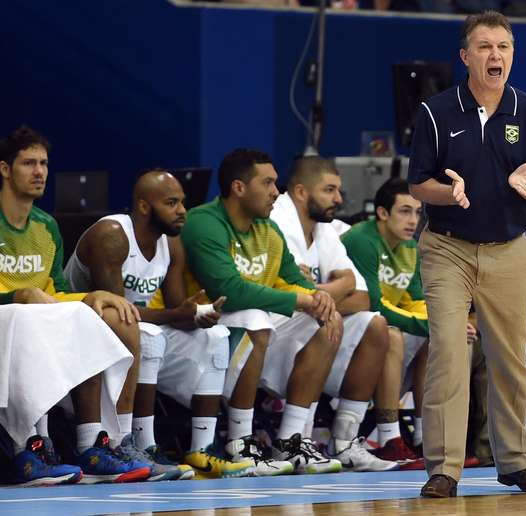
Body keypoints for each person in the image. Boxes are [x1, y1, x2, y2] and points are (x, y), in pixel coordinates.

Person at [406, 11, 526, 497]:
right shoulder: (435, 112)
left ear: (513, 54)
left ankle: (515, 461)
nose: (496, 56)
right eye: (486, 47)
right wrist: (449, 194)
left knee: (512, 359)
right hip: (448, 248)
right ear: (465, 56)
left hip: (509, 250)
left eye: (504, 47)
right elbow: (418, 184)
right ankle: (444, 469)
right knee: (450, 352)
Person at [64, 169, 264, 479]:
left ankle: (202, 448)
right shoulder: (113, 235)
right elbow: (117, 314)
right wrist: (177, 315)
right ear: (144, 206)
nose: (182, 210)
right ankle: (142, 444)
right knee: (148, 335)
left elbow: (175, 309)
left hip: (133, 332)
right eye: (172, 203)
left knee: (216, 338)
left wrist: (196, 315)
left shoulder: (171, 244)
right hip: (81, 331)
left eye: (182, 202)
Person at [0, 126, 149, 485]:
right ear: (5, 169)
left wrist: (89, 297)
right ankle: (26, 448)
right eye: (28, 163)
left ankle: (93, 445)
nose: (39, 172)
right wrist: (17, 296)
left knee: (96, 316)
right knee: (27, 314)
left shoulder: (47, 227)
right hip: (10, 320)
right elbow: (31, 298)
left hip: (33, 318)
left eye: (44, 164)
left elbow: (57, 290)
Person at [181, 148, 344, 474]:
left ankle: (292, 442)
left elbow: (293, 280)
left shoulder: (267, 230)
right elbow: (229, 290)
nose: (276, 192)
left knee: (328, 322)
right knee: (255, 316)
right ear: (239, 187)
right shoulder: (204, 223)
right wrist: (302, 300)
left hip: (252, 331)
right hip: (199, 328)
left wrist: (317, 299)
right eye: (267, 183)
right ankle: (240, 442)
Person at [269, 156, 398, 472]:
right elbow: (293, 294)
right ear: (301, 192)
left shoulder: (323, 229)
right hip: (269, 328)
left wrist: (319, 294)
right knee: (328, 320)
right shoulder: (279, 221)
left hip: (304, 329)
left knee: (376, 326)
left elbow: (362, 295)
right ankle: (290, 442)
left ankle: (344, 442)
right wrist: (329, 294)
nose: (339, 199)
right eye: (329, 190)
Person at [341, 178, 430, 469]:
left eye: (417, 212)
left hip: (379, 332)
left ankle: (425, 437)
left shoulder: (409, 248)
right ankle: (390, 440)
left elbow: (415, 300)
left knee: (436, 339)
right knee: (393, 333)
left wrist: (441, 323)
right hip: (347, 335)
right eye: (405, 211)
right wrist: (429, 325)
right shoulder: (361, 240)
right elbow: (375, 304)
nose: (413, 220)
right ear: (382, 213)